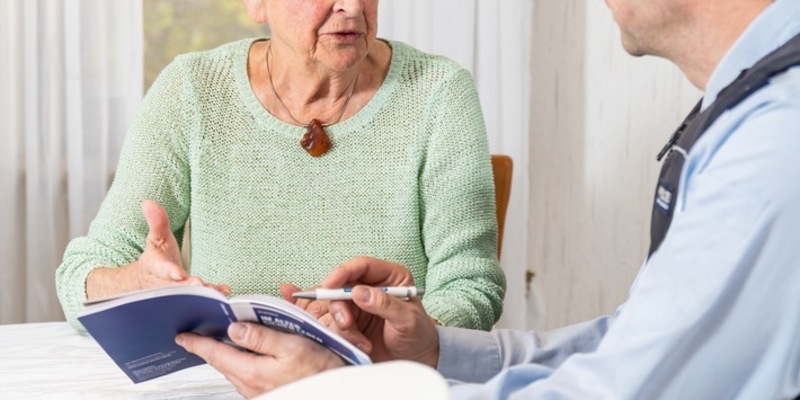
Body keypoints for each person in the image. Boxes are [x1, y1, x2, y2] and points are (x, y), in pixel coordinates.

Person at [175, 0, 800, 398]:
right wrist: (436, 351)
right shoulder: (752, 113)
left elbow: (625, 389)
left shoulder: (775, 141)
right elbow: (633, 344)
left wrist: (342, 391)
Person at [55, 0, 506, 332]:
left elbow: (471, 287)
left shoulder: (438, 91)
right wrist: (137, 282)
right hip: (227, 378)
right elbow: (81, 279)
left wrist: (393, 333)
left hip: (377, 379)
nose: (349, 7)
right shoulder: (192, 90)